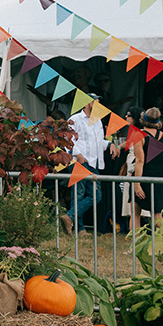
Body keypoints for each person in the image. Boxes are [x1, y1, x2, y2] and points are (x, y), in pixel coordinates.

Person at [62, 94, 112, 234]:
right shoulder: (75, 119)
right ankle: (80, 228)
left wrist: (110, 145)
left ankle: (69, 217)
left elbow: (99, 142)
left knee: (96, 195)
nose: (98, 103)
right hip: (80, 161)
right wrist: (77, 154)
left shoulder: (97, 121)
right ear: (87, 103)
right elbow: (67, 138)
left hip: (94, 163)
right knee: (79, 194)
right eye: (95, 101)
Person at [131, 106, 163, 229]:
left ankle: (135, 247)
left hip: (144, 178)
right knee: (158, 215)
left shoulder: (140, 136)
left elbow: (139, 161)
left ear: (143, 119)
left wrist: (137, 183)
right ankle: (159, 246)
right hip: (160, 180)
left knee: (136, 213)